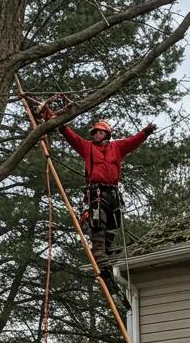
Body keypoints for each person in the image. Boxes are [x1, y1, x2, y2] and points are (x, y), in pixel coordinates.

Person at [48, 114, 157, 280]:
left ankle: (106, 251)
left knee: (113, 221)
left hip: (112, 191)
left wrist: (146, 132)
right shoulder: (87, 147)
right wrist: (59, 124)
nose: (95, 135)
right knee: (98, 222)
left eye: (99, 132)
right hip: (96, 191)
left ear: (106, 134)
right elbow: (72, 138)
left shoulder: (117, 147)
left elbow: (133, 141)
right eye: (94, 133)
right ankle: (99, 255)